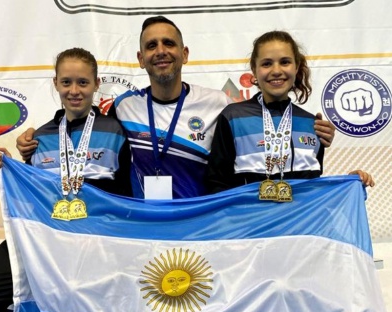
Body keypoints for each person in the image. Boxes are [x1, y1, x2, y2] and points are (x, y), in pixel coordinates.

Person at [17, 16, 337, 199]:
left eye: (169, 43)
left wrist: (313, 133)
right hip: (143, 222)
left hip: (198, 221)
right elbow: (83, 132)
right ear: (141, 59)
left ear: (184, 54)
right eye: (151, 45)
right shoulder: (122, 107)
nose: (161, 51)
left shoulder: (219, 103)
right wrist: (32, 144)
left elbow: (254, 143)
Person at [0, 47, 131, 312]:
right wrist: (4, 166)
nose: (74, 90)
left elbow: (125, 200)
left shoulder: (117, 132)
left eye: (83, 82)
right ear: (55, 83)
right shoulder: (40, 138)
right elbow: (32, 193)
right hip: (42, 239)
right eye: (66, 82)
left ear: (96, 85)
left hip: (94, 243)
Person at [206, 30, 374, 195]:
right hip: (250, 222)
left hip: (299, 222)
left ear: (297, 66)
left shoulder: (312, 124)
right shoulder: (233, 117)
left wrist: (347, 184)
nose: (276, 70)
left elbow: (312, 187)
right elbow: (217, 183)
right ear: (254, 68)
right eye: (266, 64)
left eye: (285, 62)